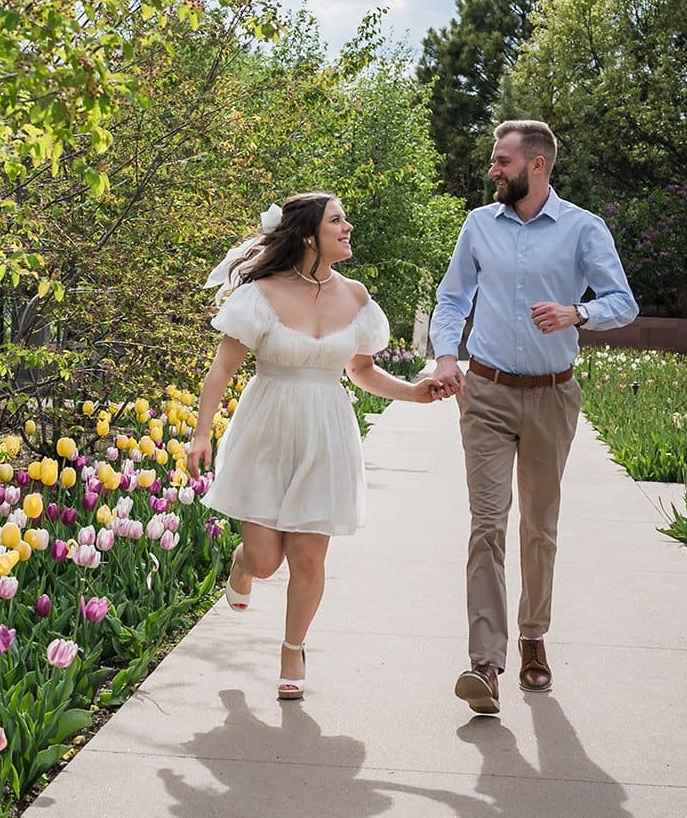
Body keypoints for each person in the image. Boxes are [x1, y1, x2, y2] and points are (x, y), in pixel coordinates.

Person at [187, 192, 454, 701]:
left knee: (308, 557)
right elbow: (222, 369)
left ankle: (293, 648)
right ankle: (244, 566)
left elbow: (361, 370)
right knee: (267, 561)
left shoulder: (355, 297)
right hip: (266, 429)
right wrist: (203, 432)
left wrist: (413, 394)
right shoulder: (260, 293)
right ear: (309, 235)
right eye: (337, 220)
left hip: (326, 432)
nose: (348, 227)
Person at [429, 120, 637, 715]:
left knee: (538, 527)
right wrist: (447, 355)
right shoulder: (478, 226)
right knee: (486, 525)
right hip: (487, 393)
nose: (492, 170)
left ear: (537, 165)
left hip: (552, 395)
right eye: (494, 161)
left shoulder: (582, 229)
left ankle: (533, 637)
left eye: (502, 161)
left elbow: (622, 302)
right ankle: (485, 663)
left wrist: (577, 314)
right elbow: (452, 299)